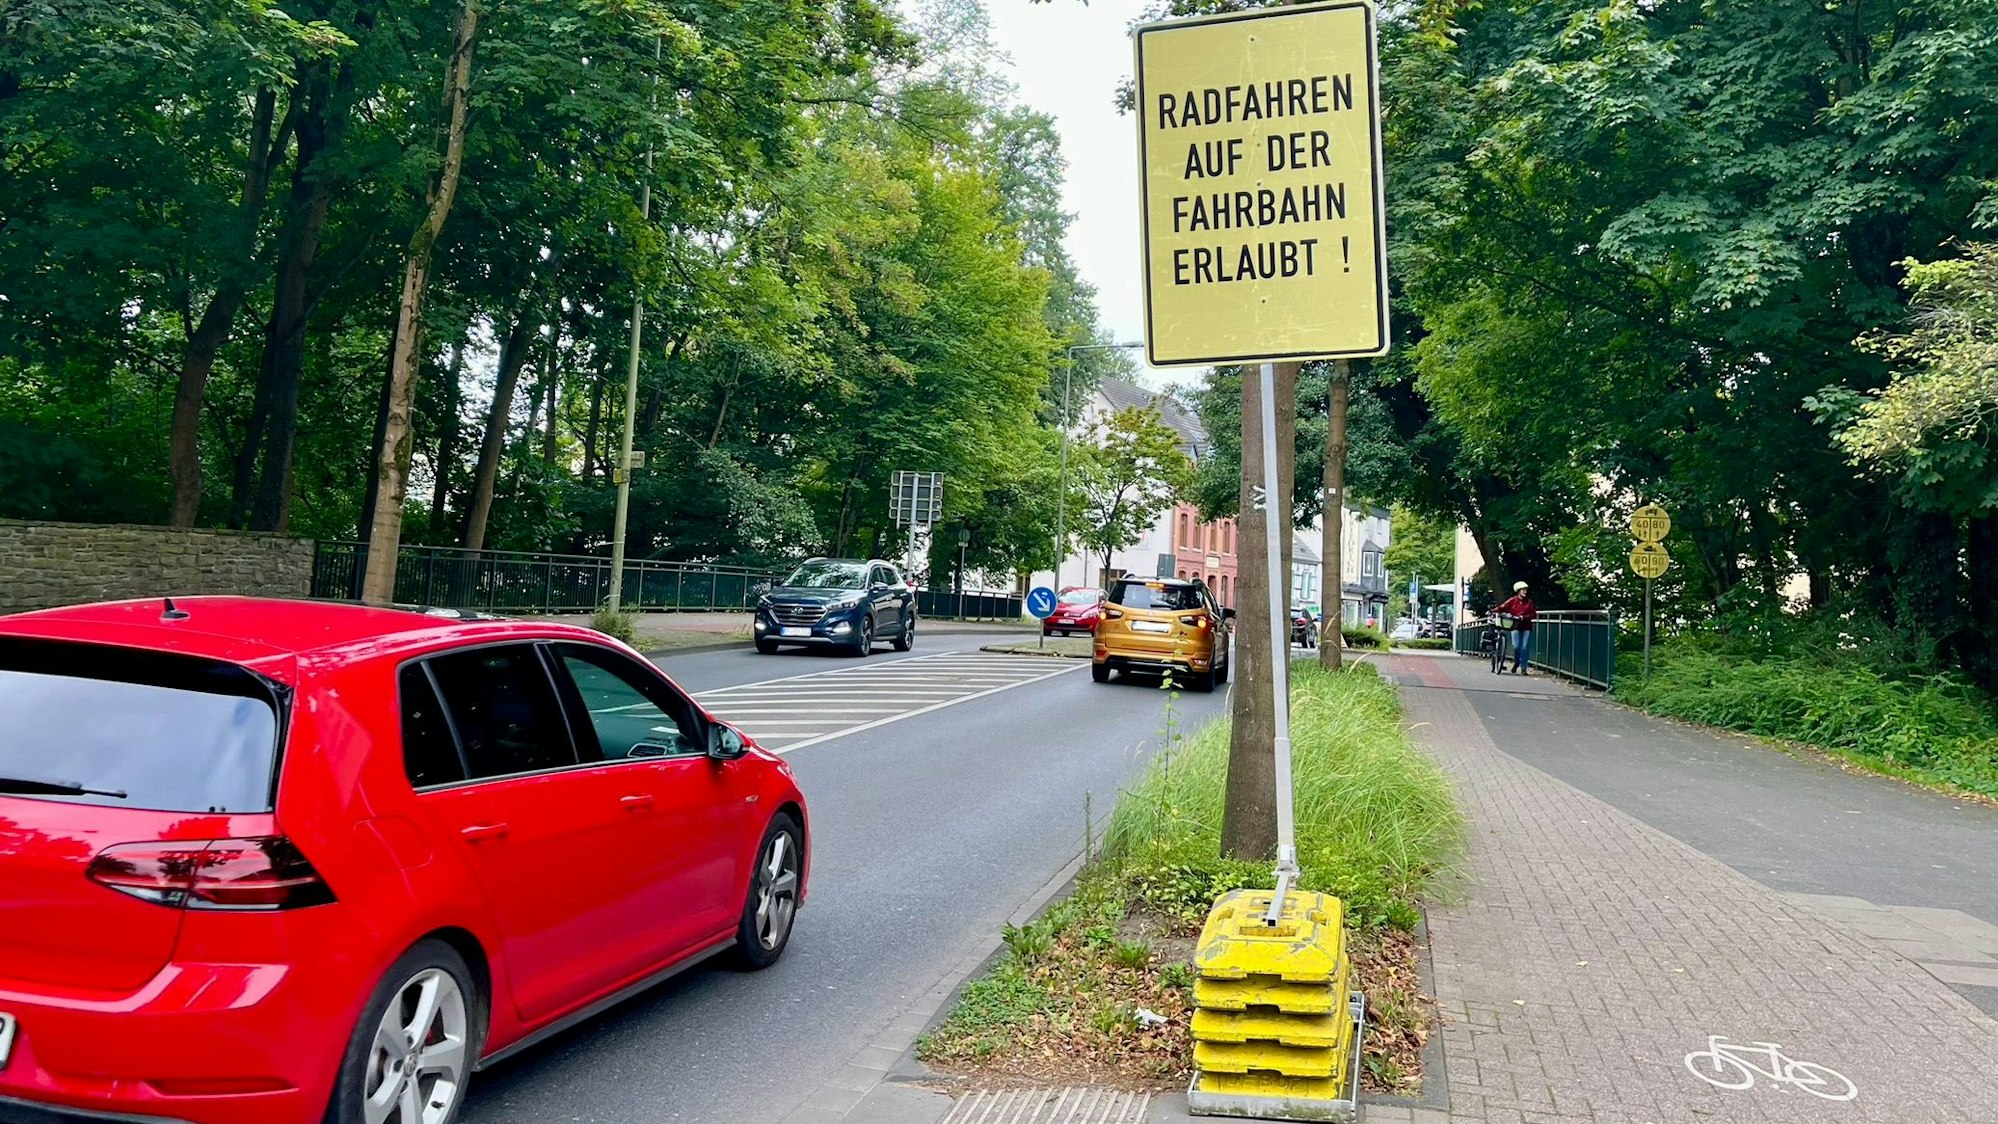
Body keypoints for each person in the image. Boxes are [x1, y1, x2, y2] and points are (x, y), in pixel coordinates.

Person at [1495, 580, 1537, 674]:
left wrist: (1524, 617)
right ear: (1518, 591)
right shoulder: (1513, 600)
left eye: (1526, 590)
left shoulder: (1529, 602)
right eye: (1523, 590)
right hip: (1515, 626)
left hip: (1526, 626)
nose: (1525, 592)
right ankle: (1517, 662)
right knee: (1516, 646)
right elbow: (1503, 607)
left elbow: (1533, 614)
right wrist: (1494, 610)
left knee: (1525, 647)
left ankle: (1523, 668)